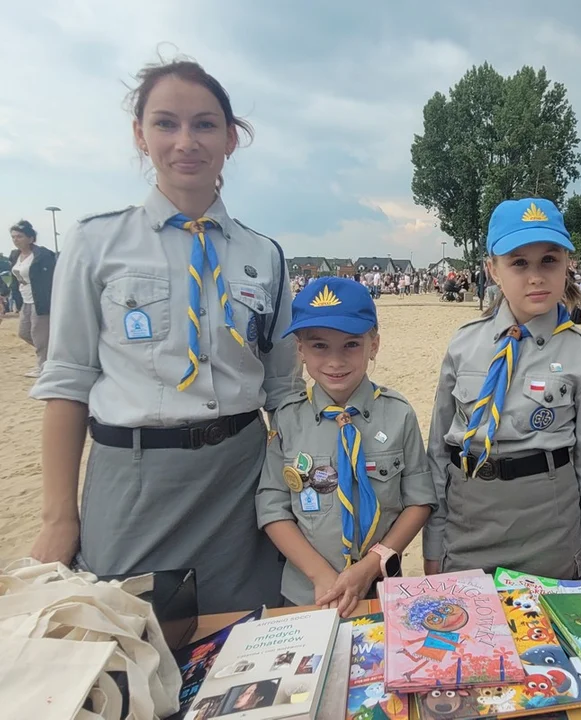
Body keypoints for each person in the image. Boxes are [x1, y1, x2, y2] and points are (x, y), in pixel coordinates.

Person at [28, 58, 303, 613]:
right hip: (134, 484)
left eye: (204, 124)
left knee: (243, 645)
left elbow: (282, 388)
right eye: (165, 123)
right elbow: (69, 382)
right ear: (140, 134)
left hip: (242, 482)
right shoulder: (95, 243)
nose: (186, 141)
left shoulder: (263, 255)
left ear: (230, 138)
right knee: (133, 645)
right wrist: (59, 516)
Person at [423, 198, 581, 579]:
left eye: (549, 260)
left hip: (549, 530)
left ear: (567, 265)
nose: (536, 276)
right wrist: (434, 545)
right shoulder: (463, 346)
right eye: (518, 262)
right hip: (468, 527)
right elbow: (437, 454)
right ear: (492, 269)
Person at [256, 277, 435, 615]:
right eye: (319, 346)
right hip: (309, 592)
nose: (335, 361)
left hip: (382, 588)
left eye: (351, 344)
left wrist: (369, 566)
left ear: (375, 345)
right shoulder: (288, 419)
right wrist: (320, 574)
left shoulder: (398, 414)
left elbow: (420, 499)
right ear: (300, 350)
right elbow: (272, 507)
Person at [9, 220, 56, 377]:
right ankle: (53, 355)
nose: (16, 240)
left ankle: (43, 366)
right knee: (24, 332)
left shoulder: (43, 255)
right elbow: (14, 277)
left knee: (39, 335)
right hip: (25, 299)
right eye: (13, 237)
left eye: (19, 236)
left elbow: (52, 277)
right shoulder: (15, 255)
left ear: (30, 238)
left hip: (41, 300)